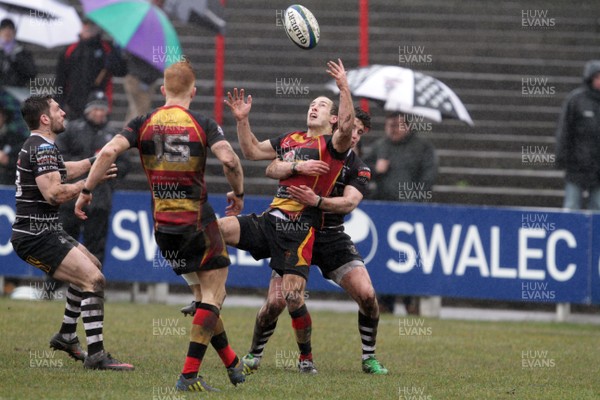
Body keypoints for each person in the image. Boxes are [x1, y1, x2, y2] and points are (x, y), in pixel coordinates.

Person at [74, 61, 246, 392]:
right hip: (197, 221)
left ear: (164, 90)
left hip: (163, 228)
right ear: (193, 92)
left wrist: (86, 191)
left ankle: (233, 364)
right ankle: (188, 376)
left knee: (201, 295)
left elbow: (109, 151)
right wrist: (238, 193)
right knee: (214, 294)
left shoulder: (142, 122)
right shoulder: (202, 123)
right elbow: (229, 160)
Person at [180, 107, 388, 375]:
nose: (355, 134)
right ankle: (254, 353)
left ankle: (368, 357)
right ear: (338, 122)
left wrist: (318, 201)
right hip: (293, 230)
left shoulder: (358, 168)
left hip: (331, 237)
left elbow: (349, 203)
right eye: (353, 127)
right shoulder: (302, 143)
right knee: (276, 303)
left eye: (360, 131)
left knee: (367, 295)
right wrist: (286, 164)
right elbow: (260, 158)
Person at [217, 59, 355, 374]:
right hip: (270, 220)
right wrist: (242, 120)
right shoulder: (290, 140)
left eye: (321, 105)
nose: (314, 108)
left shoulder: (332, 146)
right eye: (312, 104)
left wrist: (344, 87)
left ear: (332, 118)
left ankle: (305, 358)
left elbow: (347, 127)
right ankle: (203, 294)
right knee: (213, 229)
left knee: (291, 297)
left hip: (299, 229)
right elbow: (251, 152)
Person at [10, 95, 132, 371]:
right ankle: (97, 355)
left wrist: (98, 159)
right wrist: (91, 182)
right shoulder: (40, 148)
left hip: (46, 231)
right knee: (95, 280)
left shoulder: (43, 147)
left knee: (93, 267)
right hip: (35, 236)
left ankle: (66, 335)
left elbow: (66, 170)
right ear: (45, 118)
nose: (63, 112)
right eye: (57, 109)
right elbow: (54, 193)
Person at [365, 112, 438, 315]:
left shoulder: (422, 148)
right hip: (384, 211)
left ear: (408, 126)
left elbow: (429, 175)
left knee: (409, 258)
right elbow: (361, 169)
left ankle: (410, 300)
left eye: (397, 125)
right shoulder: (380, 146)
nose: (392, 129)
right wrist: (375, 169)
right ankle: (385, 301)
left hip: (410, 213)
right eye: (389, 125)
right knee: (386, 257)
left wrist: (415, 198)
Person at [56, 90, 130, 263]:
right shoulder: (72, 130)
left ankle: (90, 288)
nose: (98, 113)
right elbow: (59, 158)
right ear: (88, 110)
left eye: (102, 109)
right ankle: (55, 286)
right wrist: (88, 165)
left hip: (100, 201)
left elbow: (125, 164)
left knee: (95, 247)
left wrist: (108, 170)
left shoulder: (114, 136)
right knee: (63, 244)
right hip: (70, 198)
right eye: (95, 109)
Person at [55, 19, 127, 120]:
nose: (87, 30)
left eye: (91, 27)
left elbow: (121, 71)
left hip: (100, 102)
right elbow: (60, 80)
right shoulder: (70, 50)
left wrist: (115, 59)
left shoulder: (106, 49)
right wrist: (60, 103)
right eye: (85, 26)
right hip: (74, 102)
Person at [555, 60, 600, 211]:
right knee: (571, 207)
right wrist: (562, 157)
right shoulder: (576, 100)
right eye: (598, 77)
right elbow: (564, 130)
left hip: (598, 169)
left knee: (598, 209)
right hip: (577, 167)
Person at [123, 52, 162, 122]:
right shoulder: (152, 48)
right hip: (140, 80)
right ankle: (133, 131)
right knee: (140, 111)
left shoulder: (139, 46)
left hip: (140, 79)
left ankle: (127, 131)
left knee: (135, 110)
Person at [0, 18, 37, 88]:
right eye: (4, 29)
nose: (7, 31)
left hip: (17, 90)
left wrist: (16, 60)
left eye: (10, 29)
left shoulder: (22, 52)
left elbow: (31, 73)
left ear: (14, 32)